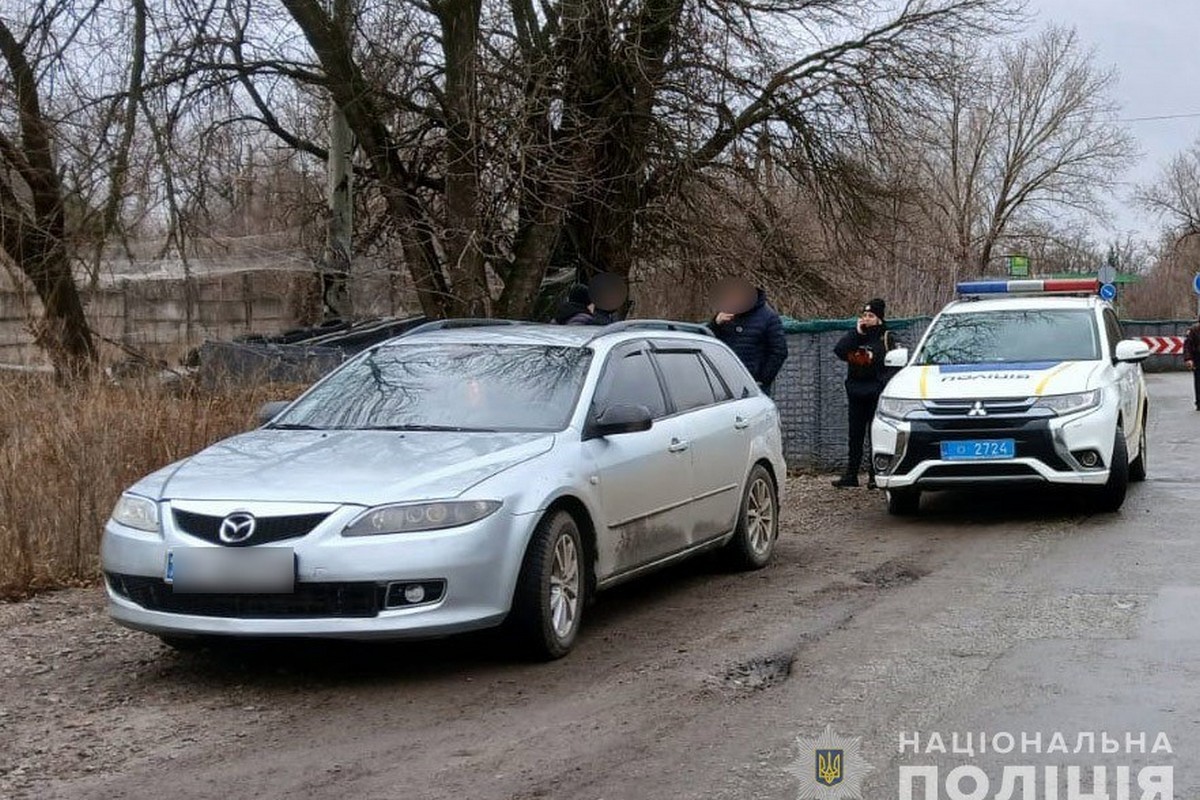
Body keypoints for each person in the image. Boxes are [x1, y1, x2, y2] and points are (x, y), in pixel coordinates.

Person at [832, 298, 898, 489]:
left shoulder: (885, 337)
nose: (867, 319)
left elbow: (878, 358)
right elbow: (840, 350)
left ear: (878, 318)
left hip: (875, 391)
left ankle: (874, 473)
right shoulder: (857, 336)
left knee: (875, 434)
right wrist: (857, 333)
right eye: (864, 315)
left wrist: (861, 358)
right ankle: (851, 474)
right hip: (856, 391)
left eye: (871, 316)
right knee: (855, 434)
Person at [708, 277, 788, 393]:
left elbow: (779, 351)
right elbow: (708, 341)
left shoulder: (769, 317)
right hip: (724, 382)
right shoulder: (724, 314)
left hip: (753, 384)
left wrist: (762, 379)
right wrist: (715, 323)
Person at [1184, 316, 1200, 409]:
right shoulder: (1194, 330)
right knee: (1198, 381)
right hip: (1198, 358)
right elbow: (1187, 346)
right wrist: (1188, 359)